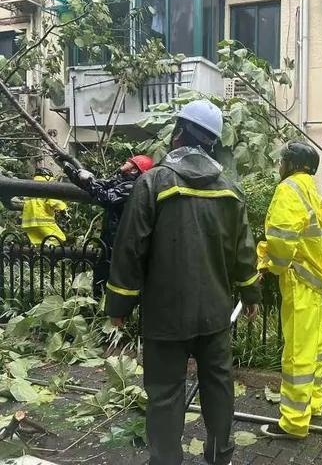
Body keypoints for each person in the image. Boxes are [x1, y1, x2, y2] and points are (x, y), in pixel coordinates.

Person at [105, 99, 262, 465]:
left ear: (179, 134)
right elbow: (245, 251)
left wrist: (119, 305)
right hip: (214, 316)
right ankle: (220, 456)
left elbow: (130, 248)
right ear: (213, 142)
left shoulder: (153, 182)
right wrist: (251, 293)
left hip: (165, 316)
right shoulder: (229, 190)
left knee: (164, 394)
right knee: (218, 386)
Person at [257, 141, 322, 439]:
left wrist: (269, 263)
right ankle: (312, 404)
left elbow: (282, 238)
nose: (278, 166)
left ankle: (294, 422)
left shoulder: (288, 189)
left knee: (297, 350)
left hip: (298, 277)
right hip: (314, 277)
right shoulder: (309, 186)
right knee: (313, 347)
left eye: (281, 161)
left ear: (290, 162)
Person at [62, 155, 154, 295]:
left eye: (130, 162)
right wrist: (74, 173)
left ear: (135, 170)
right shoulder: (121, 181)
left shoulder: (132, 187)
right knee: (102, 272)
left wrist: (89, 180)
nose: (126, 162)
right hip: (110, 238)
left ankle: (108, 305)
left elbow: (106, 197)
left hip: (119, 240)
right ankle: (100, 303)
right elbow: (99, 186)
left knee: (111, 275)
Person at [21, 167, 68, 246]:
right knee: (59, 238)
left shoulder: (29, 188)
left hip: (28, 223)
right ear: (47, 177)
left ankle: (39, 254)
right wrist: (63, 208)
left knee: (38, 242)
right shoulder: (46, 186)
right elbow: (53, 201)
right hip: (43, 221)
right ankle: (47, 249)